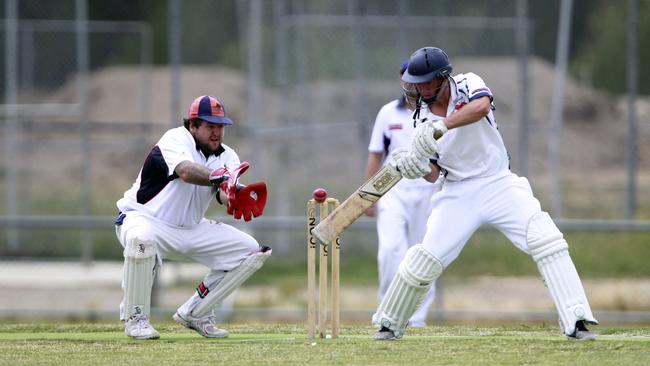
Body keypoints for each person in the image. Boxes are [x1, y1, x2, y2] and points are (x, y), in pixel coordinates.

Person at [372, 47, 598, 341]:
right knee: (425, 259)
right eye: (416, 83)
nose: (420, 88)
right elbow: (434, 173)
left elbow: (481, 108)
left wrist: (443, 125)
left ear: (443, 78)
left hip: (498, 182)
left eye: (426, 82)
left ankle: (576, 319)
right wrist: (415, 166)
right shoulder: (420, 119)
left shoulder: (467, 83)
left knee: (546, 238)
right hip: (457, 192)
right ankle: (389, 323)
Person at [115, 95, 270, 339]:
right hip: (145, 219)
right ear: (193, 125)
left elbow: (222, 193)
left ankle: (196, 312)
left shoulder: (229, 156)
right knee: (140, 239)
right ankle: (136, 318)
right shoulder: (175, 138)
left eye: (220, 127)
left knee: (251, 250)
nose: (216, 132)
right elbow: (186, 171)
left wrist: (236, 195)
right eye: (210, 126)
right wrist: (220, 177)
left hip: (190, 228)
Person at [364, 61, 442, 328]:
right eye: (406, 79)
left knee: (424, 254)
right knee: (389, 251)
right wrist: (369, 196)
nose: (411, 85)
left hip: (428, 192)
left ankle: (417, 318)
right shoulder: (388, 113)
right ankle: (388, 312)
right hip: (393, 191)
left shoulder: (437, 112)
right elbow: (376, 154)